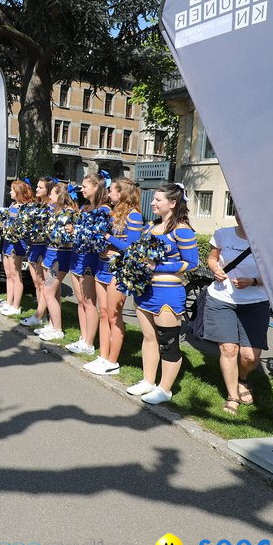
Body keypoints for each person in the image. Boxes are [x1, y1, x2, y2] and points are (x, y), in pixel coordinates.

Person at [125, 183, 198, 405]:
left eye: (158, 200)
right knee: (149, 338)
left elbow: (192, 264)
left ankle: (165, 389)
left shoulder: (182, 229)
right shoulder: (149, 227)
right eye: (154, 199)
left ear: (173, 203)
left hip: (168, 293)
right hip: (145, 291)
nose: (153, 203)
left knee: (168, 343)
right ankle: (148, 380)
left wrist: (156, 268)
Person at [204, 212, 268, 416]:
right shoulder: (223, 234)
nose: (242, 216)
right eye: (239, 211)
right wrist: (215, 269)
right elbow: (212, 258)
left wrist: (254, 281)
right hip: (222, 299)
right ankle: (232, 395)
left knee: (250, 357)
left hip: (255, 302)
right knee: (229, 349)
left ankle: (241, 378)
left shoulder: (267, 241)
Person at [85, 177, 142, 377]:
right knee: (103, 313)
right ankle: (103, 355)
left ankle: (113, 361)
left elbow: (132, 248)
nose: (109, 194)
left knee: (114, 315)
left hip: (118, 269)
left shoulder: (134, 216)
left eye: (112, 191)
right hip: (102, 265)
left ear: (122, 193)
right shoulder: (112, 212)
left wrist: (108, 237)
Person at [65, 173, 105, 356]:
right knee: (80, 300)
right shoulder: (84, 207)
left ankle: (89, 343)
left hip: (90, 258)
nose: (82, 189)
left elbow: (98, 236)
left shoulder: (104, 209)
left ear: (96, 186)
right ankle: (83, 337)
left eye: (85, 186)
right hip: (77, 255)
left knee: (89, 301)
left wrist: (78, 230)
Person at [34, 182, 76, 341]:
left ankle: (58, 329)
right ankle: (52, 325)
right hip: (51, 254)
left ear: (60, 195)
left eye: (52, 193)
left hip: (61, 256)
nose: (50, 196)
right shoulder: (55, 211)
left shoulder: (69, 212)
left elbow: (69, 237)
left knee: (48, 291)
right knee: (54, 292)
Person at [21, 177, 54, 328]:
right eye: (37, 187)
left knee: (44, 283)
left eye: (40, 187)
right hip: (34, 246)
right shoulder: (37, 205)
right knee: (37, 283)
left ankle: (41, 316)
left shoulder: (51, 207)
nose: (37, 190)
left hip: (44, 247)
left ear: (48, 189)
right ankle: (41, 314)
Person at [0, 180, 32, 316]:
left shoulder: (24, 208)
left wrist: (5, 226)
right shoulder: (12, 205)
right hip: (7, 241)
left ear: (18, 191)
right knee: (8, 274)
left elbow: (21, 228)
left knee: (16, 274)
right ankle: (8, 302)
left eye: (12, 189)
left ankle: (16, 306)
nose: (10, 192)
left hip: (17, 244)